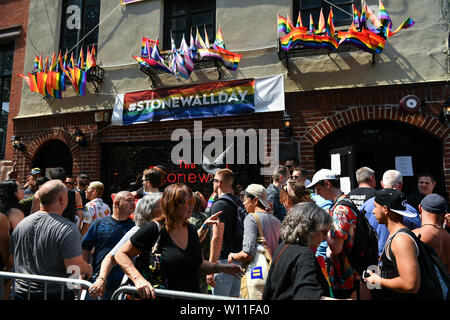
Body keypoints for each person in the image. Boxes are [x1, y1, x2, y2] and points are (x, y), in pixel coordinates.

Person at [115, 183, 243, 299]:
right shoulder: (155, 228)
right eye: (188, 202)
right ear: (172, 204)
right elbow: (121, 254)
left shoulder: (191, 229)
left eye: (192, 202)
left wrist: (224, 268)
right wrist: (138, 280)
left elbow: (197, 264)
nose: (192, 206)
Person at [8, 180, 92, 300]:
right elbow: (73, 265)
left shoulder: (22, 224)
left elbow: (11, 260)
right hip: (54, 293)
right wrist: (88, 269)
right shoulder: (67, 228)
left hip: (21, 292)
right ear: (63, 199)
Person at [88, 193, 164, 299]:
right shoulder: (137, 231)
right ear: (150, 211)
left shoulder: (166, 230)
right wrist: (101, 279)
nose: (167, 208)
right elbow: (111, 257)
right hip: (134, 293)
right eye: (162, 205)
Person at [262, 202, 336, 300]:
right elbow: (308, 295)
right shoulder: (305, 255)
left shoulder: (283, 247)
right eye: (324, 232)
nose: (325, 238)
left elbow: (267, 293)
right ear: (309, 229)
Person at [364, 189, 425, 299]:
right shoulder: (395, 235)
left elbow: (411, 284)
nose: (373, 211)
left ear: (385, 209)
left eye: (375, 206)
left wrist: (378, 280)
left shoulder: (401, 240)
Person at [306, 169, 359, 299]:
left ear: (327, 184)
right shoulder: (344, 202)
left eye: (318, 189)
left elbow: (336, 248)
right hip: (349, 274)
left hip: (345, 277)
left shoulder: (340, 210)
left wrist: (324, 230)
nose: (317, 194)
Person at [81, 190, 135, 300]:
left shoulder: (135, 227)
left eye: (134, 201)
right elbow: (85, 247)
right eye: (129, 200)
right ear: (116, 203)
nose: (133, 203)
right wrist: (83, 272)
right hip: (100, 280)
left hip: (125, 282)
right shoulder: (99, 223)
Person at [361, 170, 422, 257]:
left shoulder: (366, 205)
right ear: (400, 185)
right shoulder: (409, 210)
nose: (373, 211)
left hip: (383, 258)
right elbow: (419, 235)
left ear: (382, 183)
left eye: (375, 207)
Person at [207, 168, 243, 297]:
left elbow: (217, 237)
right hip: (237, 259)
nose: (212, 183)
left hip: (222, 262)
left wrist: (211, 267)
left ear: (219, 183)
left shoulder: (220, 205)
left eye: (213, 180)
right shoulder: (237, 202)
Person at [227, 184, 281, 265]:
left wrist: (232, 256)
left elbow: (247, 254)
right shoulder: (276, 220)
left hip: (259, 273)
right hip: (275, 270)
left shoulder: (251, 218)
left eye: (245, 199)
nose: (244, 204)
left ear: (255, 200)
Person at [413, 194, 450, 273]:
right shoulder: (447, 235)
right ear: (444, 214)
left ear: (420, 208)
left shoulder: (415, 235)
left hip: (427, 285)